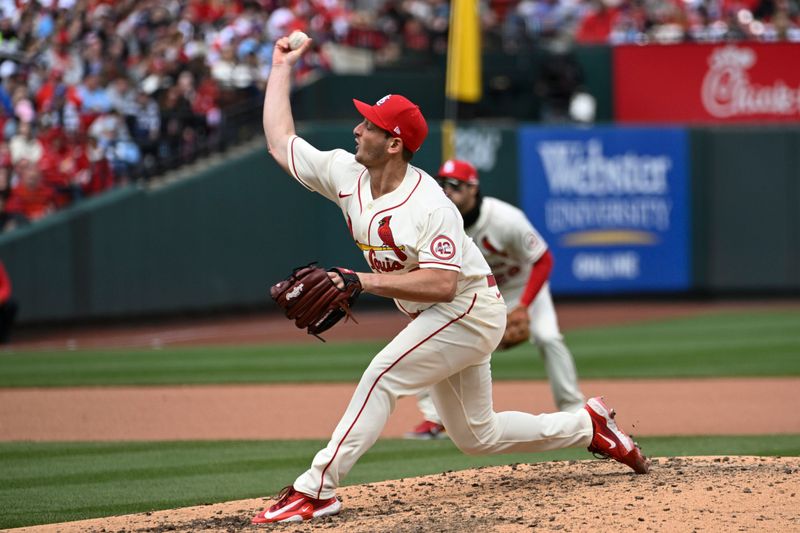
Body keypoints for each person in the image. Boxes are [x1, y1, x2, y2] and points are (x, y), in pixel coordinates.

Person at [251, 33, 649, 525]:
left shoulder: (430, 205)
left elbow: (441, 284)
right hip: (439, 312)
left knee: (382, 374)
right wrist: (281, 66)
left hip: (467, 307)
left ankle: (316, 489)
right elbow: (279, 141)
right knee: (476, 437)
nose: (357, 129)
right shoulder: (345, 173)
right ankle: (588, 426)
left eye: (369, 125)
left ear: (394, 142)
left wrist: (360, 281)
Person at [406, 159, 585, 440]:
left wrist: (524, 306)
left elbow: (543, 260)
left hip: (521, 288)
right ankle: (434, 418)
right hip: (477, 293)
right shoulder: (438, 219)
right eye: (442, 185)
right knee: (431, 336)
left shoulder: (505, 219)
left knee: (548, 337)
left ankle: (575, 409)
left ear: (473, 188)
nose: (447, 191)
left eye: (454, 185)